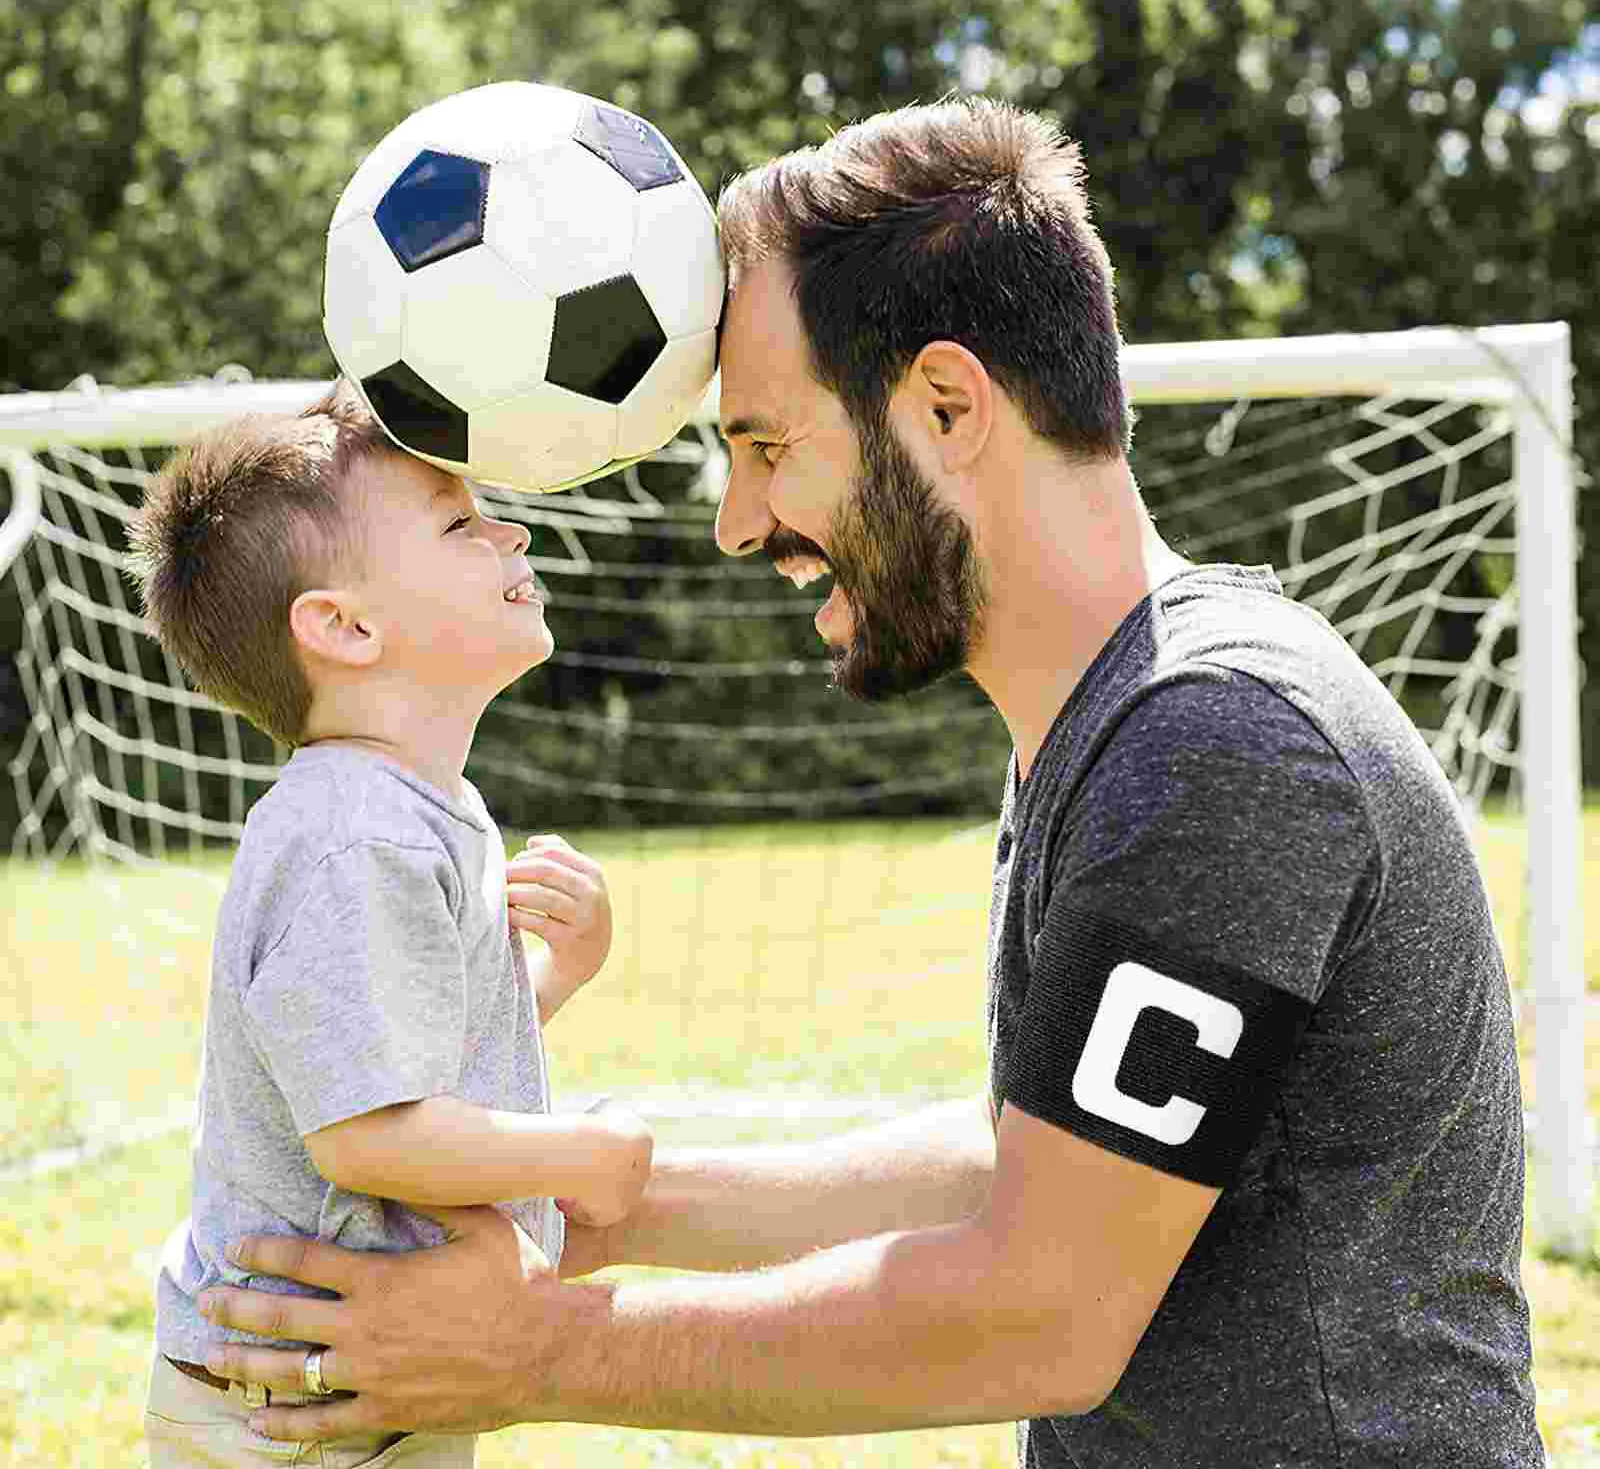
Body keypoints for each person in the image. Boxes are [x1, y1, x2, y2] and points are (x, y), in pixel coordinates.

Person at [194, 100, 1542, 1465]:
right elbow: (1029, 1168)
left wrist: (537, 1343)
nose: (736, 526)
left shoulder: (1221, 745)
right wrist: (626, 1209)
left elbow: (1040, 1311)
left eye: (768, 447)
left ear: (948, 408)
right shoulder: (1129, 715)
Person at [129, 382, 652, 1469]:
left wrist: (558, 976)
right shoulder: (356, 833)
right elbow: (363, 1134)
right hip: (283, 1415)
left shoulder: (420, 805)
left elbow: (402, 1061)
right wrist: (579, 1154)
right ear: (346, 627)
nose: (508, 527)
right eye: (460, 523)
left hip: (370, 1379)